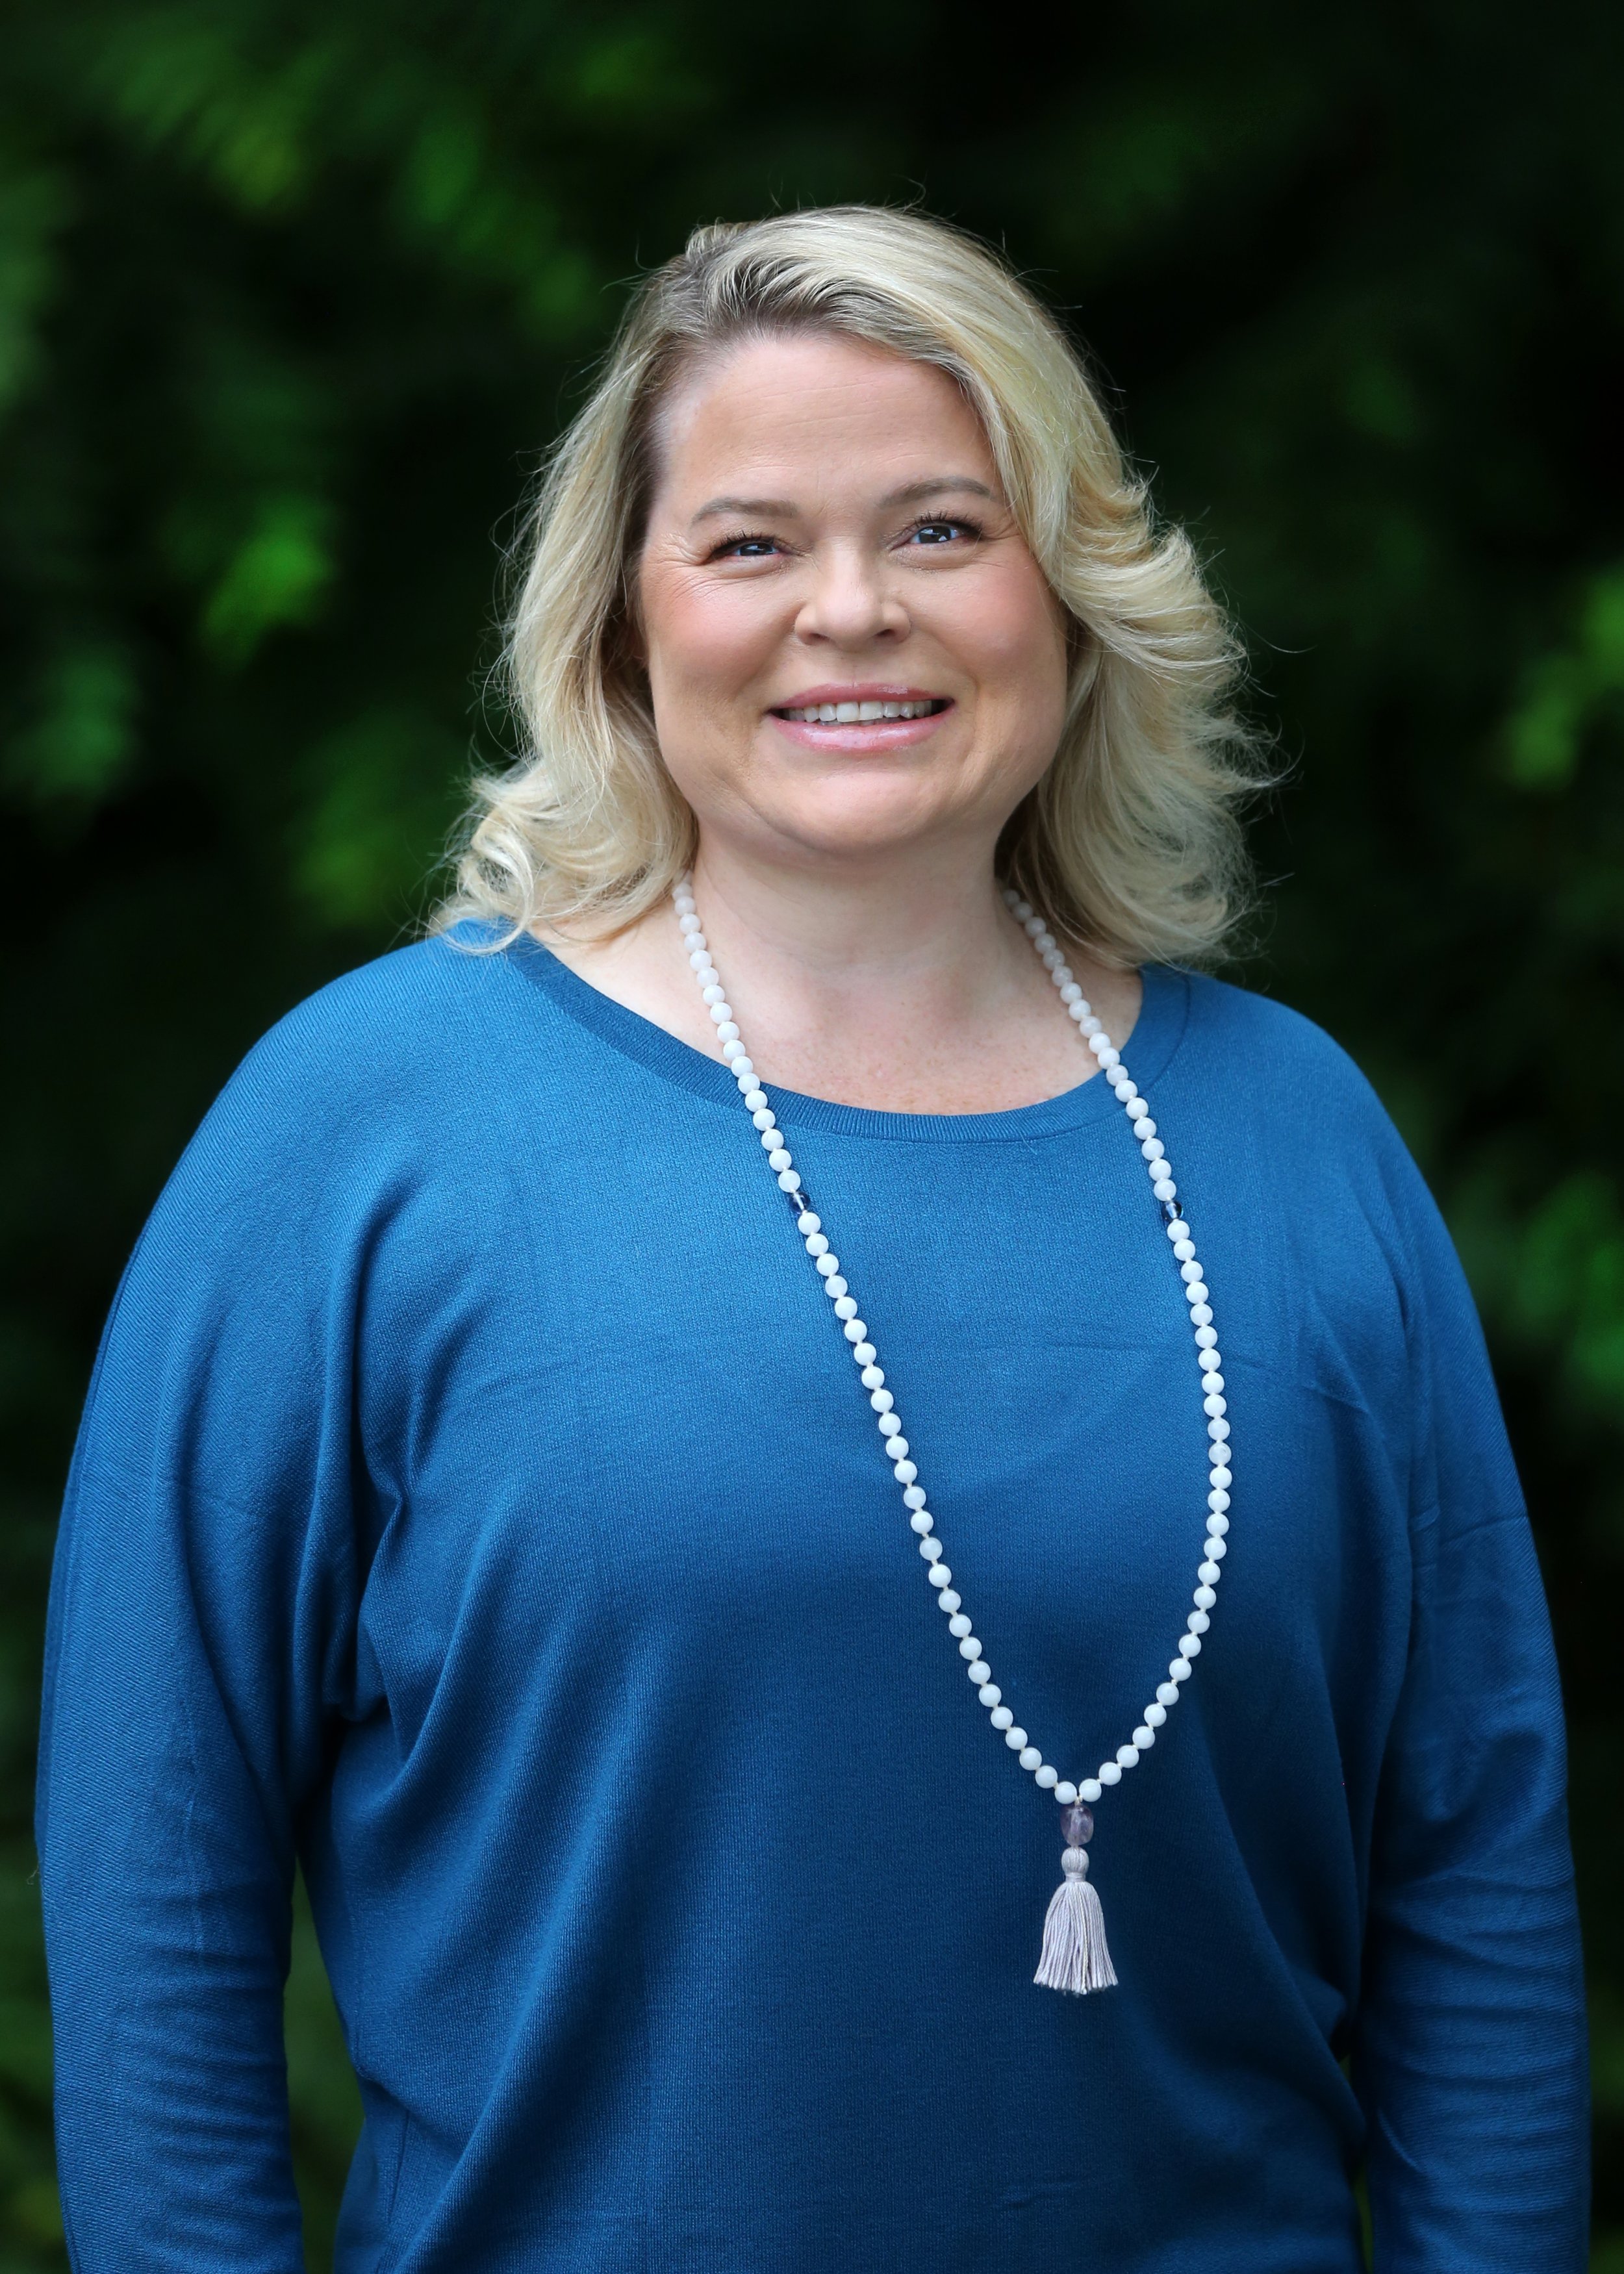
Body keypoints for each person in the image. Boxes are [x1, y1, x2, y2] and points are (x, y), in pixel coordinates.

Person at [37, 206, 1587, 2271]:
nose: (849, 611)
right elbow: (157, 1859)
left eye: (942, 529)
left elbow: (1468, 1852)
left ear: (1073, 594)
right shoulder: (367, 1128)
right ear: (621, 623)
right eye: (749, 542)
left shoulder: (1292, 1138)